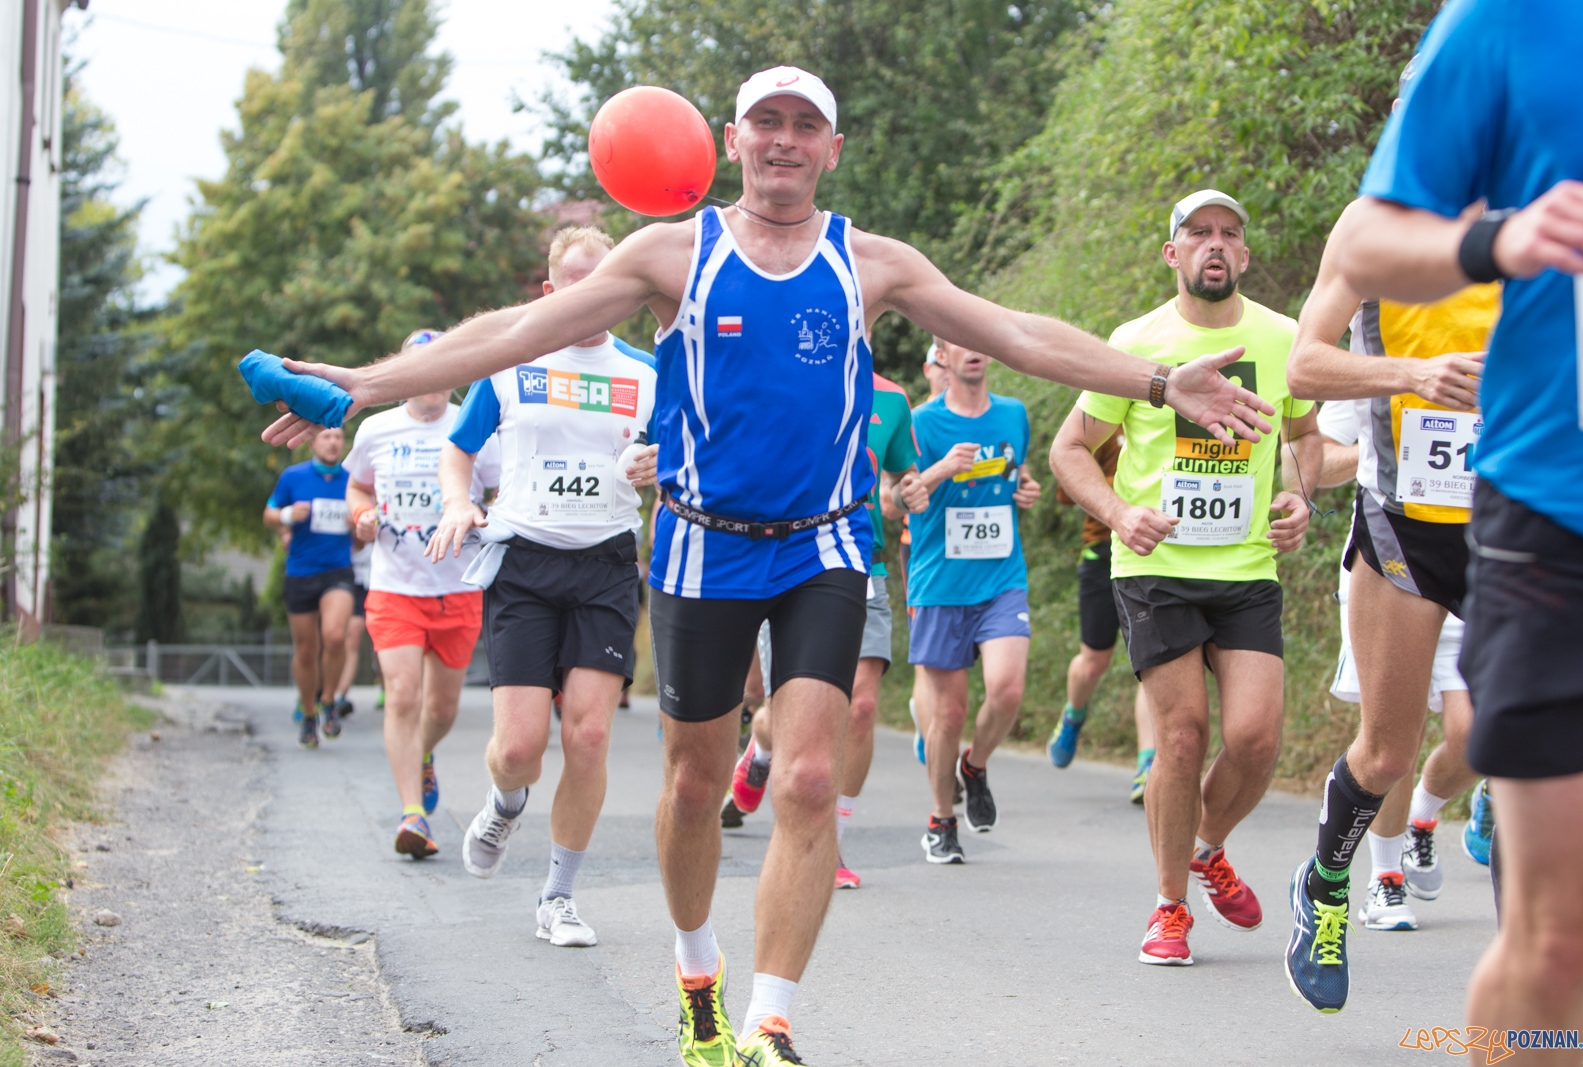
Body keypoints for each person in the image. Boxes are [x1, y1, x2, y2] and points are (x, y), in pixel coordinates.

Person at [255, 66, 1274, 1065]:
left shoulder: (870, 262)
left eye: (804, 125)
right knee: (695, 786)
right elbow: (516, 334)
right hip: (701, 545)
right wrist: (362, 385)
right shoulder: (669, 253)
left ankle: (773, 1017)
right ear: (730, 140)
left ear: (833, 149)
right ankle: (699, 975)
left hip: (825, 545)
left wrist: (1153, 379)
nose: (783, 140)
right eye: (764, 122)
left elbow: (1012, 333)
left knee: (809, 775)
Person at [1298, 4, 1583, 1041]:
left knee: (1474, 740)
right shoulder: (1394, 221)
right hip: (1417, 519)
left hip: (1508, 509)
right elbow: (1297, 367)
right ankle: (1330, 882)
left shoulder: (1544, 185)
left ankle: (1472, 857)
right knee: (1384, 746)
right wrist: (1411, 371)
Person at [1052, 189, 1319, 966]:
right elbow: (1071, 450)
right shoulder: (1135, 342)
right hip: (1155, 564)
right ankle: (1171, 905)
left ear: (1244, 255)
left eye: (1229, 234)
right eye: (1198, 232)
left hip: (1246, 564)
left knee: (1256, 736)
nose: (1214, 243)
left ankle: (1207, 846)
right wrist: (1117, 512)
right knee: (1180, 735)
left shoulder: (1282, 335)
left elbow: (1306, 438)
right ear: (1172, 254)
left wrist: (1298, 493)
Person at [428, 226, 658, 950]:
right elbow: (459, 450)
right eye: (576, 283)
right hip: (525, 560)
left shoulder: (650, 374)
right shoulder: (512, 362)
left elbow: (688, 454)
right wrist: (459, 502)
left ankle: (558, 895)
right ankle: (505, 799)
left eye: (605, 282)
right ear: (551, 290)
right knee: (521, 745)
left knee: (588, 733)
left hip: (606, 564)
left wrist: (663, 468)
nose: (591, 297)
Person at [724, 368, 928, 887]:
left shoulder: (893, 399)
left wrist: (909, 495)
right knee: (792, 714)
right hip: (788, 565)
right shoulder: (781, 375)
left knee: (859, 707)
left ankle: (828, 839)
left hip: (863, 565)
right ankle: (762, 748)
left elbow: (897, 485)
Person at [1313, 400, 1482, 932]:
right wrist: (1381, 449)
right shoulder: (1380, 336)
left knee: (1478, 736)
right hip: (1396, 557)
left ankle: (1424, 816)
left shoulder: (1513, 333)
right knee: (1392, 743)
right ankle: (1383, 880)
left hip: (1483, 556)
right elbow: (1314, 457)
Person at [345, 328, 502, 859]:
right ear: (406, 374)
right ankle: (413, 814)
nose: (432, 378)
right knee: (404, 694)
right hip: (394, 586)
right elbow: (357, 485)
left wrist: (487, 516)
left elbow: (506, 488)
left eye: (441, 366)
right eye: (421, 366)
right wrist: (362, 516)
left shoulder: (476, 425)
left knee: (441, 705)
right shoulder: (375, 429)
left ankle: (424, 753)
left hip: (458, 587)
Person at [903, 340, 1038, 863]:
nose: (974, 351)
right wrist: (940, 470)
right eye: (960, 344)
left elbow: (1015, 473)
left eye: (981, 342)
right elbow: (897, 499)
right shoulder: (921, 423)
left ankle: (974, 767)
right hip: (940, 584)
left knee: (1006, 689)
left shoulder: (1013, 414)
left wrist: (1026, 487)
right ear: (940, 354)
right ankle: (941, 819)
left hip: (1002, 577)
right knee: (948, 713)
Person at [1047, 434, 1157, 803]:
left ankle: (1148, 766)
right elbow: (1065, 493)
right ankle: (1073, 715)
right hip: (1102, 552)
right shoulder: (1101, 421)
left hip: (1156, 557)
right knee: (1094, 662)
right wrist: (1123, 482)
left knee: (1157, 663)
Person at [264, 425, 355, 748]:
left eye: (338, 437)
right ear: (313, 442)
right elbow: (269, 515)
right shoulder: (293, 477)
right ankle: (308, 713)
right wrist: (288, 514)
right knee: (306, 649)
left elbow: (362, 537)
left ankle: (328, 699)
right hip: (301, 571)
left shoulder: (352, 480)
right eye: (327, 437)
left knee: (334, 635)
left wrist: (357, 525)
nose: (333, 443)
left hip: (338, 571)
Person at [904, 341, 950, 764]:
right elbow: (895, 494)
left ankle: (939, 731)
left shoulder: (987, 414)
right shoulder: (916, 420)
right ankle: (930, 733)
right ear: (929, 368)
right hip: (918, 548)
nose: (947, 372)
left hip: (977, 552)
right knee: (928, 661)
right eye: (939, 364)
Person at [330, 542, 372, 719]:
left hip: (363, 580)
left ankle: (340, 695)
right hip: (334, 577)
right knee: (331, 637)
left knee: (352, 640)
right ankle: (316, 693)